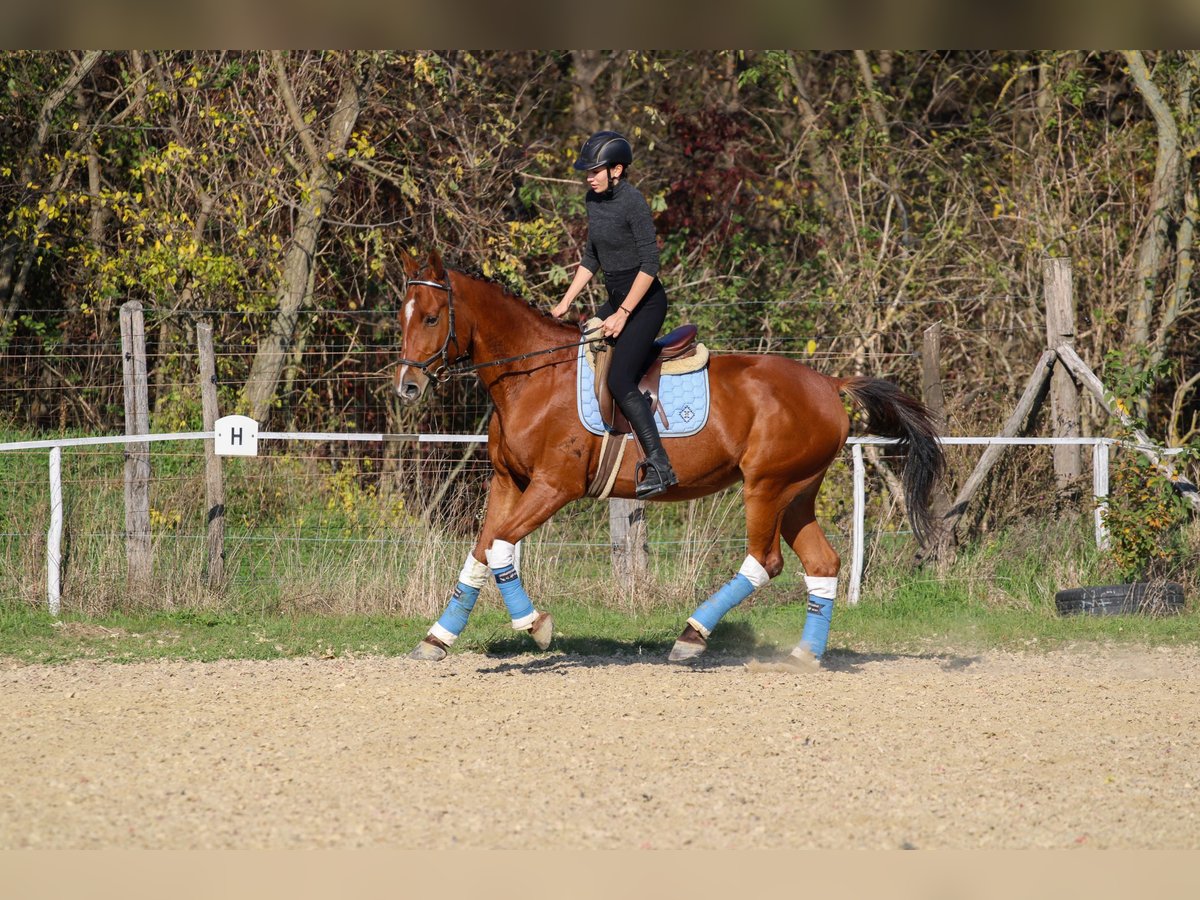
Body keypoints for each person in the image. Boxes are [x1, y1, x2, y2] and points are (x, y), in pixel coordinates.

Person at [551, 130, 678, 499]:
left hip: (645, 303)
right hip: (616, 298)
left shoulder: (633, 202)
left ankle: (660, 463)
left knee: (620, 378)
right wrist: (564, 303)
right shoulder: (594, 200)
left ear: (617, 170)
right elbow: (591, 258)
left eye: (595, 170)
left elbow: (651, 265)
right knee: (578, 348)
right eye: (587, 171)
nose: (588, 177)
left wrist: (623, 314)